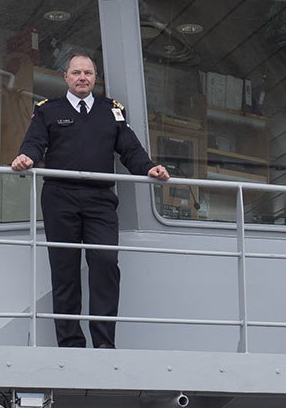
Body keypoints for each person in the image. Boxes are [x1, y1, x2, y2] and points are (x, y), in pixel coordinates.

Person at [11, 53, 169, 348]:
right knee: (65, 270)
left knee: (106, 263)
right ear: (66, 78)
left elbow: (130, 148)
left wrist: (149, 167)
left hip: (100, 199)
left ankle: (104, 343)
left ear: (95, 78)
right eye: (76, 73)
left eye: (88, 73)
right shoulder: (48, 110)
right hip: (60, 197)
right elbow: (34, 142)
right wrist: (26, 158)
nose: (82, 77)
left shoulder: (111, 112)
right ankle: (71, 344)